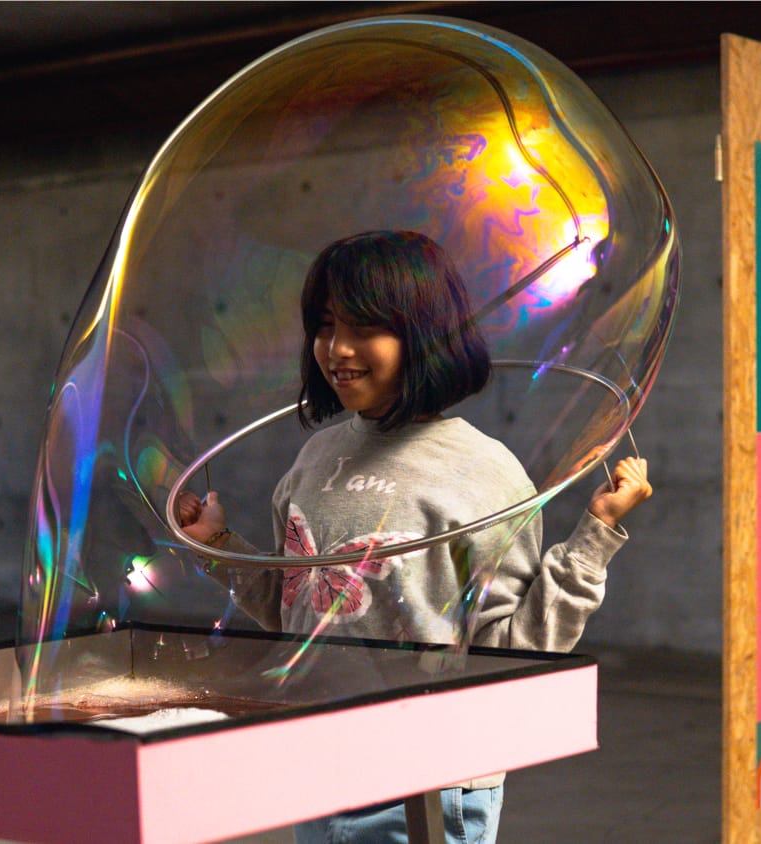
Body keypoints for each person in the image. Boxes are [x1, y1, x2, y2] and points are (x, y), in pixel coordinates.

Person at [177, 230, 652, 843]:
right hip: (317, 763)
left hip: (429, 781)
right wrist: (220, 546)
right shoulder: (314, 461)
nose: (337, 349)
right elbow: (294, 611)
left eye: (365, 327)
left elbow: (514, 647)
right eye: (324, 325)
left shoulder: (483, 473)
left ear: (422, 335)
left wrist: (595, 537)